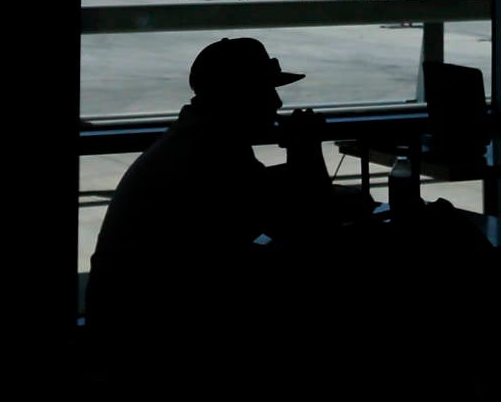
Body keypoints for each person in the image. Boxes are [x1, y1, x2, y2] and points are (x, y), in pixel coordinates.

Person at [86, 37, 357, 375]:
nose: (276, 102)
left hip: (131, 326)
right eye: (266, 91)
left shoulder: (199, 139)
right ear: (239, 96)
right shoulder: (211, 153)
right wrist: (306, 148)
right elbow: (308, 223)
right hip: (152, 343)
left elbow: (254, 197)